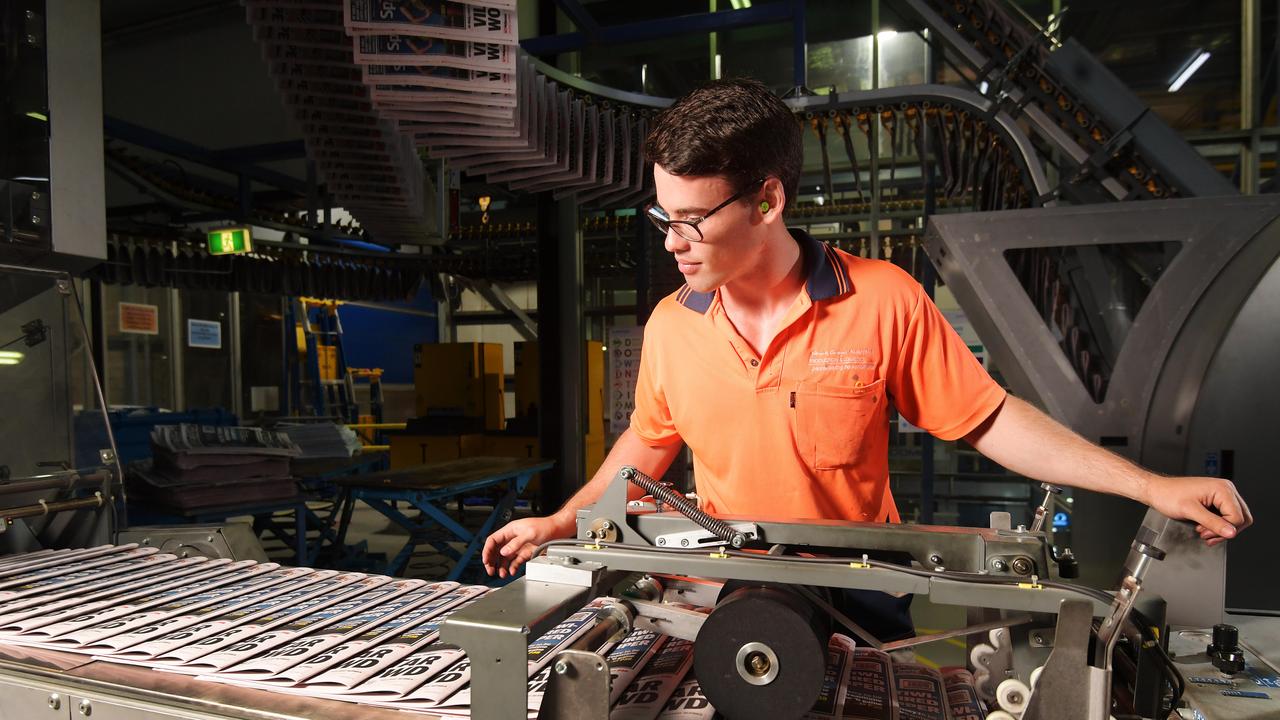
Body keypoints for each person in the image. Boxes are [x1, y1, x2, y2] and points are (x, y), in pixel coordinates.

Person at [481, 78, 1252, 640]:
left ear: (768, 202)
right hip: (731, 595)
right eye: (663, 216)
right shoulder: (671, 325)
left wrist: (1153, 485)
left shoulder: (881, 299)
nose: (672, 242)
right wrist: (564, 519)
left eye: (691, 221)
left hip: (862, 599)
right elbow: (645, 449)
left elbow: (990, 422)